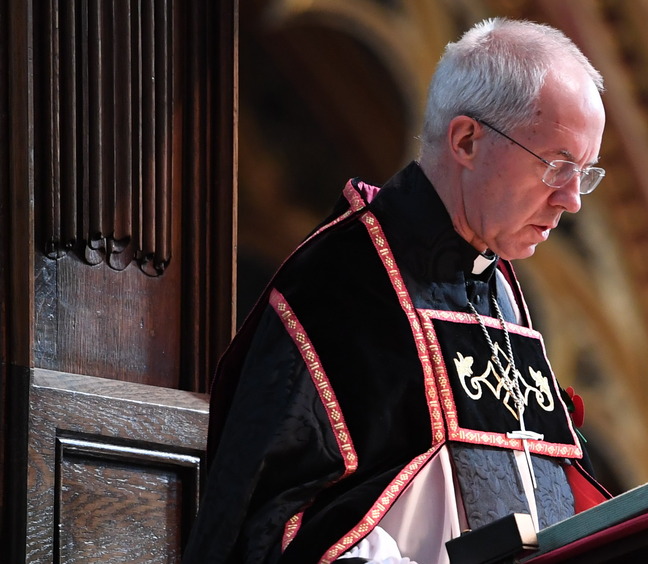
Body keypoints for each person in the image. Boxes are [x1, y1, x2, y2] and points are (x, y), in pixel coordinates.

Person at [184, 17, 609, 563]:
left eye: (587, 173)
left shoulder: (497, 287)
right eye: (557, 166)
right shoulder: (342, 282)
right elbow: (270, 523)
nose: (572, 200)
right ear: (466, 140)